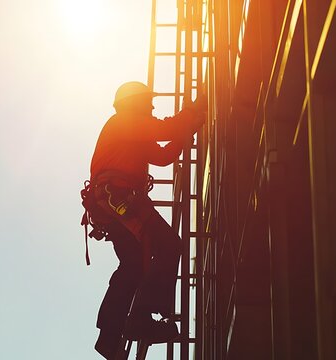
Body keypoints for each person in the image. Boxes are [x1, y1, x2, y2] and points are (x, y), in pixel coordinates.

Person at [87, 81, 206, 359]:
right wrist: (193, 111)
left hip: (116, 205)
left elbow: (163, 155)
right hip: (121, 201)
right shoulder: (124, 122)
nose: (152, 107)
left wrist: (190, 126)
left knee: (132, 265)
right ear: (134, 103)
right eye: (148, 102)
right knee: (169, 246)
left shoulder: (130, 131)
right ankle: (140, 317)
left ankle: (110, 334)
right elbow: (164, 129)